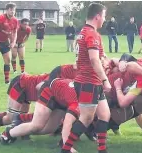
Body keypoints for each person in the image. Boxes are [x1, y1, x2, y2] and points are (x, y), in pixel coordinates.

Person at [59, 3, 111, 153]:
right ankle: (66, 148)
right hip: (89, 82)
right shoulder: (92, 34)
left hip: (91, 81)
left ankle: (102, 149)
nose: (104, 20)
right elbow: (94, 60)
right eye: (104, 16)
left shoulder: (84, 32)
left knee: (104, 114)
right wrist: (105, 80)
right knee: (86, 118)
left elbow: (98, 56)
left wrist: (106, 60)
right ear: (97, 16)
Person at [0, 78, 79, 148]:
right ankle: (7, 134)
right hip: (49, 91)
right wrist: (67, 146)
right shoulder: (78, 100)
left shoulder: (85, 99)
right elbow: (68, 122)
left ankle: (20, 130)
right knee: (36, 126)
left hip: (62, 98)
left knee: (49, 129)